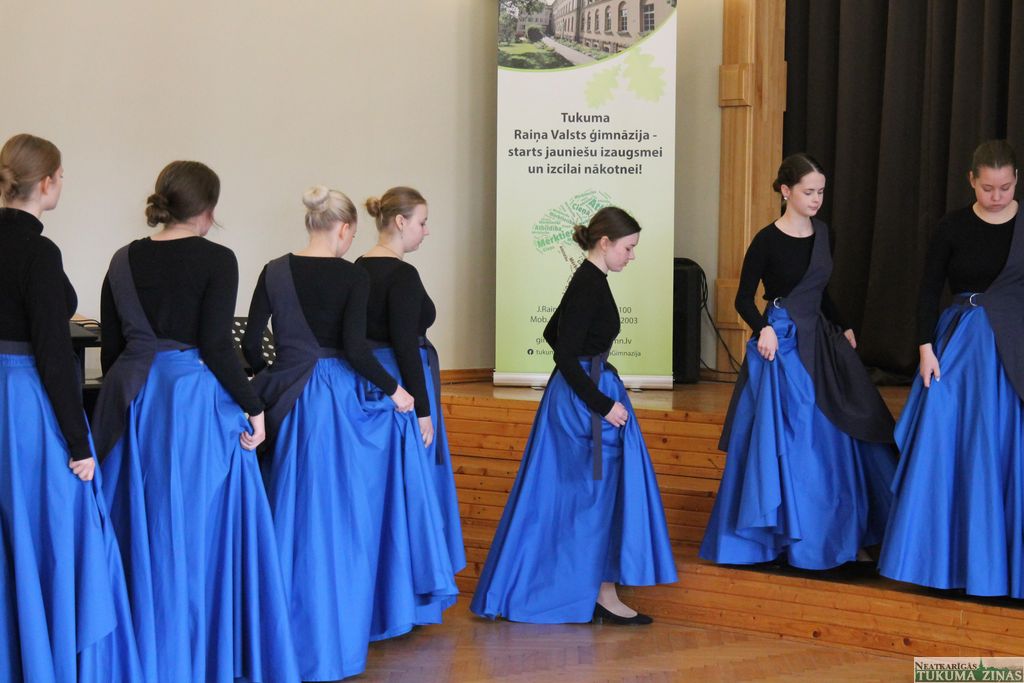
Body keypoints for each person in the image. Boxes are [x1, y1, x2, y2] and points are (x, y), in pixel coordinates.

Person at [93, 161, 299, 682]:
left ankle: (141, 658)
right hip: (191, 404)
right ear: (208, 209)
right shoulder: (218, 259)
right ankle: (196, 658)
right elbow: (216, 345)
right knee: (195, 535)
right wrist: (254, 405)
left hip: (133, 398)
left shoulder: (122, 259)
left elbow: (113, 347)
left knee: (138, 529)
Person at [243, 186, 455, 680]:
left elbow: (252, 344)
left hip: (287, 395)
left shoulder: (273, 270)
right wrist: (399, 392)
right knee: (340, 522)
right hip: (336, 398)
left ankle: (277, 636)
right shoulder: (352, 276)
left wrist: (274, 376)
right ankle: (334, 634)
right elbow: (356, 350)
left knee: (287, 510)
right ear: (344, 229)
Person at [470, 206, 677, 624]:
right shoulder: (589, 283)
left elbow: (553, 334)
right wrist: (602, 402)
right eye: (628, 248)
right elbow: (564, 353)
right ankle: (595, 594)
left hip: (580, 396)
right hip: (584, 405)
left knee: (589, 498)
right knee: (592, 498)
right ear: (605, 242)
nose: (632, 256)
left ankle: (597, 592)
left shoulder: (588, 279)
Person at [700, 153, 897, 569]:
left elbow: (820, 292)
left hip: (820, 336)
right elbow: (742, 299)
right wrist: (763, 329)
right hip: (783, 340)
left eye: (821, 192)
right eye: (809, 192)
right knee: (802, 434)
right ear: (786, 191)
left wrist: (844, 324)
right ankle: (796, 540)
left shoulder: (825, 234)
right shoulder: (766, 240)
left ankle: (844, 536)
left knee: (845, 427)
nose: (816, 199)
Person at [0, 133, 143, 682]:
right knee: (48, 528)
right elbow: (53, 354)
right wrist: (80, 444)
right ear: (47, 182)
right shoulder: (39, 252)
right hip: (23, 401)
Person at [880, 140, 1024, 597]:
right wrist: (925, 347)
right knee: (947, 445)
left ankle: (1003, 569)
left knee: (1004, 448)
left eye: (1004, 187)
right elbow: (928, 289)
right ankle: (943, 565)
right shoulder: (952, 226)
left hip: (1013, 350)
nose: (996, 196)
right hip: (958, 350)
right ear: (971, 181)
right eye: (987, 188)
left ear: (1016, 180)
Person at [356, 186, 465, 636]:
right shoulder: (402, 275)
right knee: (410, 492)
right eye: (422, 221)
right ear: (400, 222)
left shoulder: (357, 268)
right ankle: (409, 601)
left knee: (382, 494)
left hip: (370, 384)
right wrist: (421, 408)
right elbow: (404, 344)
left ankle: (381, 600)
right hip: (403, 385)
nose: (426, 230)